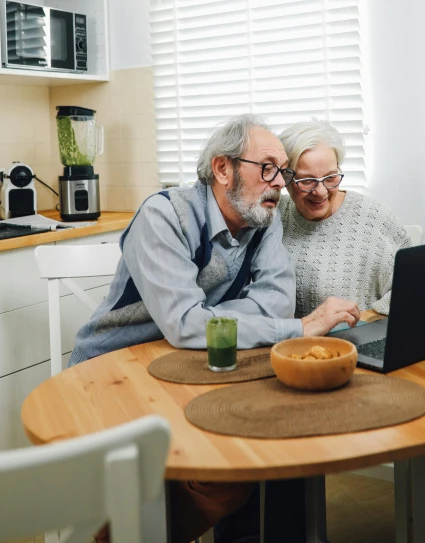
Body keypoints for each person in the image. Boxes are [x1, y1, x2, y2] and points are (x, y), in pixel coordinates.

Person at [69, 114, 359, 543]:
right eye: (267, 168)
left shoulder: (265, 220)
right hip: (111, 376)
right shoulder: (164, 215)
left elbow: (272, 301)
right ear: (222, 169)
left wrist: (206, 315)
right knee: (229, 467)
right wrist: (294, 328)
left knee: (278, 439)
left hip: (199, 369)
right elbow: (186, 326)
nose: (279, 182)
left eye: (281, 170)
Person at [279, 118, 411, 317]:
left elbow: (412, 287)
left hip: (356, 338)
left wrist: (364, 320)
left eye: (331, 177)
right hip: (289, 343)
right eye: (307, 181)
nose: (321, 192)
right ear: (285, 178)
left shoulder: (373, 218)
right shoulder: (273, 214)